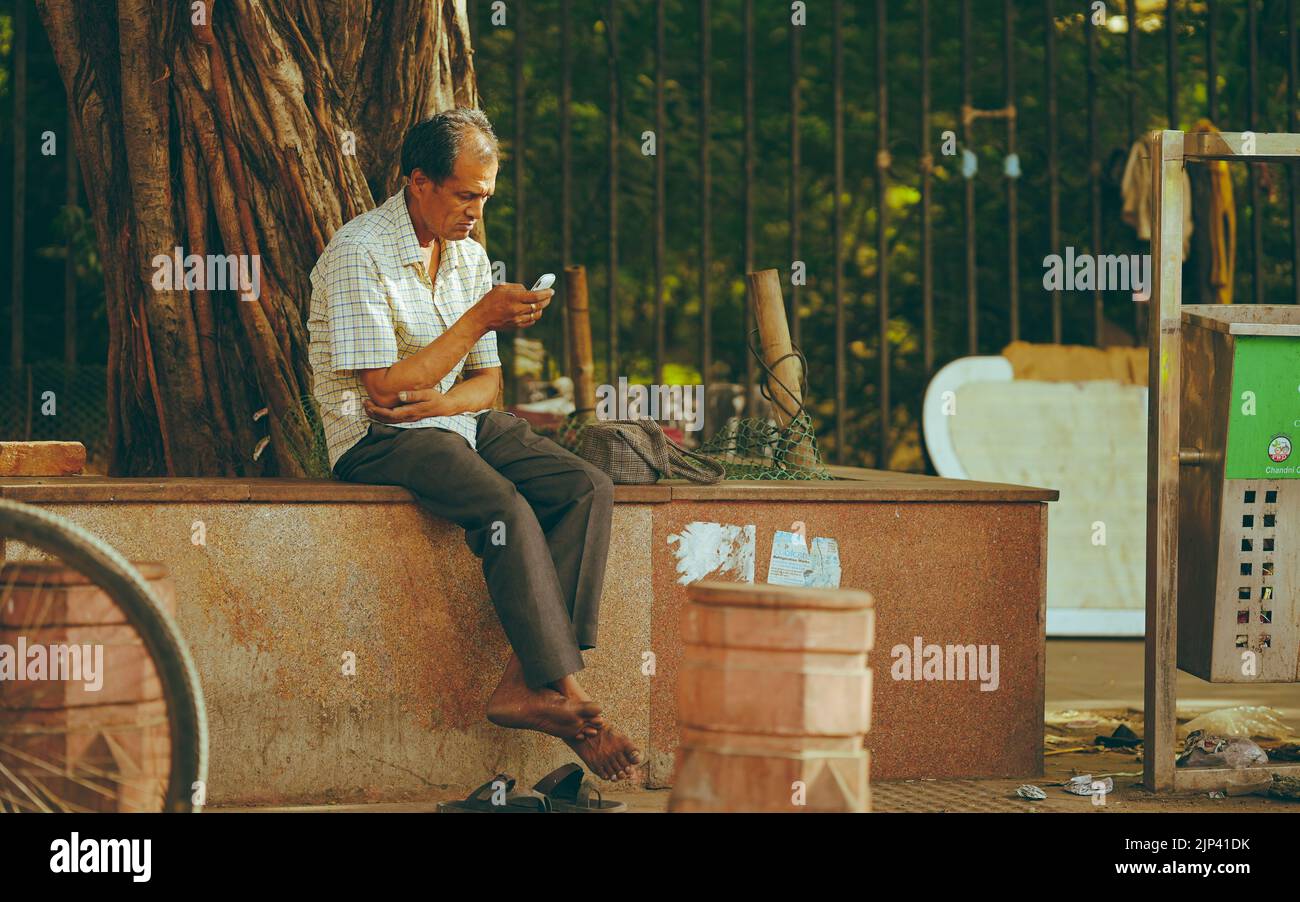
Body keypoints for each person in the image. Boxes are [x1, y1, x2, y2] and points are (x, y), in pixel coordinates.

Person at [306, 108, 640, 781]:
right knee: (505, 507)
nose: (475, 214)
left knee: (585, 488)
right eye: (465, 196)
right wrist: (478, 318)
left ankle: (529, 683)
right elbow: (383, 388)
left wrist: (437, 395)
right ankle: (567, 693)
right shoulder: (358, 251)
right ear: (418, 182)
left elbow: (486, 384)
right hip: (374, 438)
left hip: (454, 421)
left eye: (485, 198)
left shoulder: (469, 255)